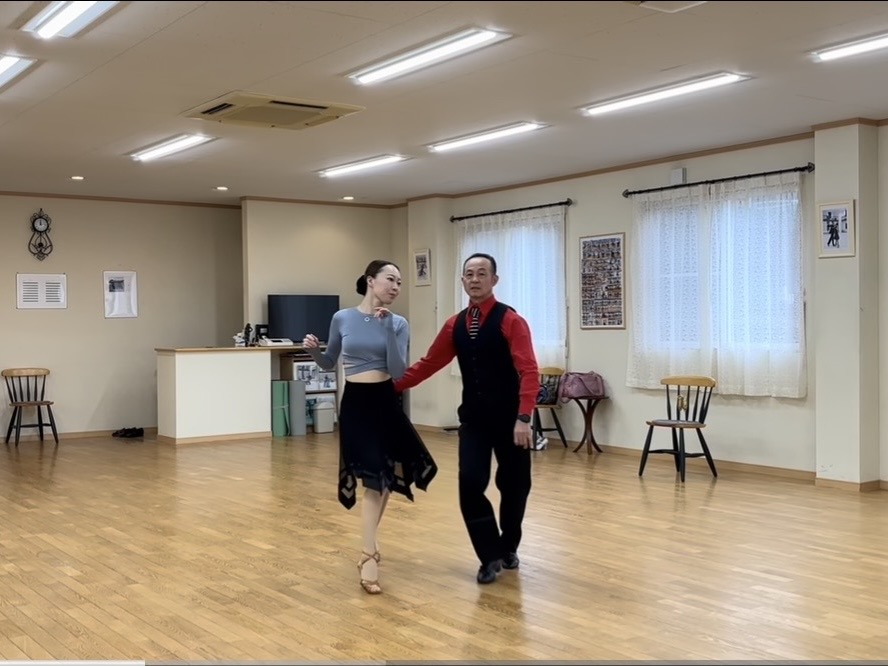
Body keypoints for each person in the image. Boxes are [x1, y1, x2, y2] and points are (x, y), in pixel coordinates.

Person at [394, 253, 539, 585]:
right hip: (474, 420)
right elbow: (429, 363)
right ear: (462, 281)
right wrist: (392, 386)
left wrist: (524, 417)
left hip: (511, 421)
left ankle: (509, 546)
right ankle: (489, 555)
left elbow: (529, 370)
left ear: (494, 280)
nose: (475, 279)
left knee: (515, 487)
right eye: (469, 274)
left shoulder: (511, 321)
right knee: (470, 483)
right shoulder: (454, 325)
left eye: (482, 273)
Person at [302, 259, 437, 595]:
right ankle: (368, 554)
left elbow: (398, 370)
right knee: (374, 480)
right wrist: (315, 351)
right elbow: (329, 362)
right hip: (356, 404)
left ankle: (367, 547)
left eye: (400, 282)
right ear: (370, 280)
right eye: (391, 279)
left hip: (385, 401)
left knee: (384, 478)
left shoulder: (399, 323)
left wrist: (388, 328)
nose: (396, 287)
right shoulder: (342, 318)